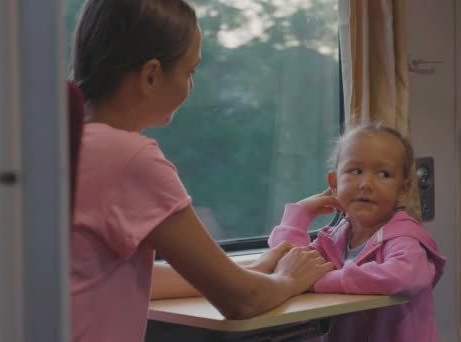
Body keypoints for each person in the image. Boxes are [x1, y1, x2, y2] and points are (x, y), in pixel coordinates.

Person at [69, 1, 333, 341]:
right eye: (189, 71)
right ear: (151, 75)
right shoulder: (129, 158)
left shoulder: (60, 143)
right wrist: (290, 280)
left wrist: (253, 267)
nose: (190, 86)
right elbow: (242, 300)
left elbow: (142, 276)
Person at [268, 122, 447, 342]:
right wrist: (300, 215)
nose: (366, 183)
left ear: (403, 190)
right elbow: (287, 266)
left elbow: (402, 276)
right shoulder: (333, 240)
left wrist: (316, 282)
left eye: (383, 174)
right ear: (334, 183)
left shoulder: (404, 238)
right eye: (356, 171)